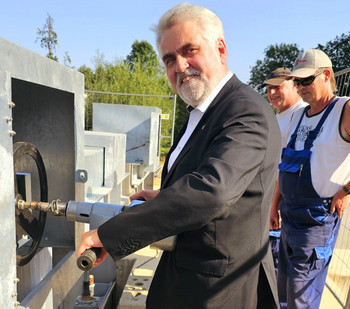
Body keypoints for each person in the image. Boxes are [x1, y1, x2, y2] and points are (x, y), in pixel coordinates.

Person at [77, 3, 281, 308]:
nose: (180, 66)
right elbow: (206, 178)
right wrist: (163, 197)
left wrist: (112, 235)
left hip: (219, 289)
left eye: (190, 50)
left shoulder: (245, 110)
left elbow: (212, 191)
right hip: (190, 276)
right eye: (170, 59)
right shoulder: (203, 111)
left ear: (220, 49)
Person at [273, 48, 350, 309]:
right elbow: (285, 166)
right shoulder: (297, 115)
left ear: (327, 75)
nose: (300, 86)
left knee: (300, 296)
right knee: (283, 289)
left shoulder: (344, 109)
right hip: (289, 216)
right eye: (297, 81)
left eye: (307, 80)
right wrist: (274, 205)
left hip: (317, 220)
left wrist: (345, 191)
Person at [264, 68, 307, 277]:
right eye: (269, 88)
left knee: (278, 268)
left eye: (277, 87)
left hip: (284, 205)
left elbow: (293, 168)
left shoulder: (301, 116)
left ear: (293, 84)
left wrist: (276, 204)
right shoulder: (280, 116)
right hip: (270, 200)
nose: (272, 93)